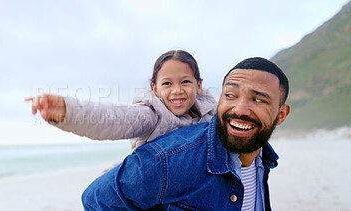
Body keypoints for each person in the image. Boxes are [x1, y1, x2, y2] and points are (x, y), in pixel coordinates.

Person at [81, 57, 291, 211]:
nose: (239, 109)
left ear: (281, 114)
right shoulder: (166, 158)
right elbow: (95, 199)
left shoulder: (263, 158)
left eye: (258, 100)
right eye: (230, 95)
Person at [26, 50, 217, 150]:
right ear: (155, 88)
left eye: (185, 82)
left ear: (198, 85)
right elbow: (114, 119)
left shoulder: (211, 112)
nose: (177, 90)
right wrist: (68, 110)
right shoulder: (151, 114)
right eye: (167, 83)